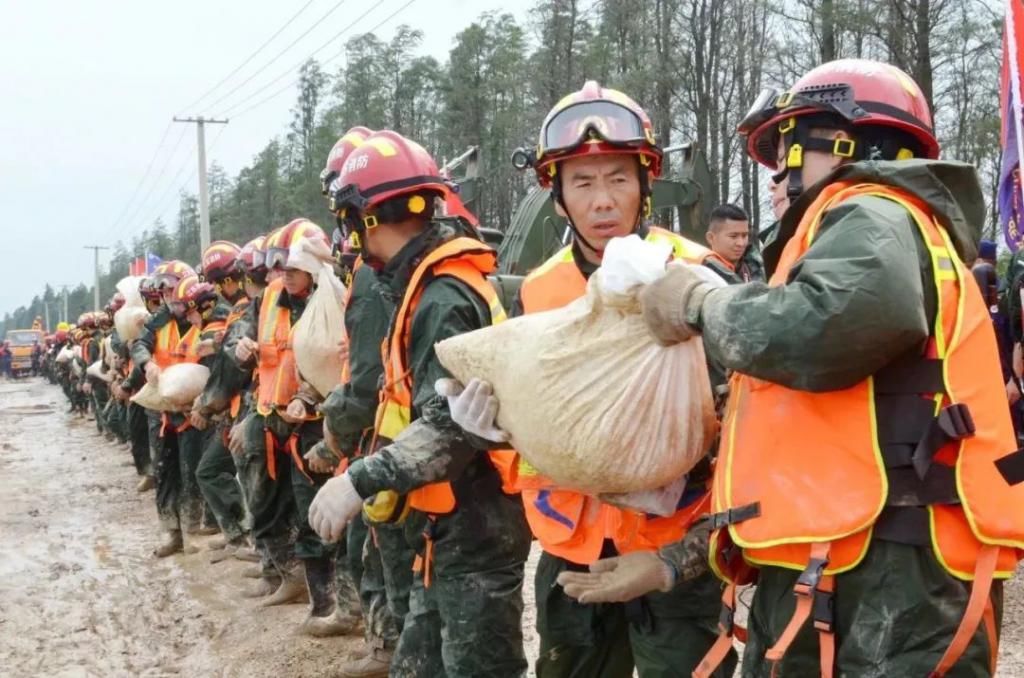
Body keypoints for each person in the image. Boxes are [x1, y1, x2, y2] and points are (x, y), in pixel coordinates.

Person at [569, 58, 1024, 677]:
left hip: (892, 570)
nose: (777, 176)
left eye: (787, 149)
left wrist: (703, 302)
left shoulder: (875, 213)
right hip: (862, 554)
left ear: (844, 142)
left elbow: (828, 325)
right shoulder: (872, 227)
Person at [445, 81, 734, 677]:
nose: (603, 200)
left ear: (645, 186)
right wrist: (497, 435)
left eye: (618, 179)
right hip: (573, 544)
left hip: (672, 550)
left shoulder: (699, 278)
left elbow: (747, 429)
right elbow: (531, 409)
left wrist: (682, 558)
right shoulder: (537, 290)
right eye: (582, 182)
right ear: (557, 198)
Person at [309, 129, 532, 677]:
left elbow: (450, 428)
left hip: (476, 526)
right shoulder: (420, 284)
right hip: (447, 525)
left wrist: (359, 479)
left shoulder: (441, 296)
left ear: (361, 219)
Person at [318, 126, 417, 674]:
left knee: (385, 549)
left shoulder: (376, 278)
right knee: (375, 545)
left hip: (392, 440)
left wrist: (335, 427)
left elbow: (370, 375)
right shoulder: (374, 273)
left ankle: (389, 646)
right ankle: (385, 642)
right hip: (386, 434)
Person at [229, 219, 340, 618]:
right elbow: (240, 330)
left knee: (314, 514)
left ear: (312, 269)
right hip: (268, 415)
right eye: (280, 269)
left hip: (311, 423)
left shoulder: (330, 300)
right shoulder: (269, 297)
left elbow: (338, 362)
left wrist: (309, 399)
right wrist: (237, 343)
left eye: (291, 270)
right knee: (262, 506)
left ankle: (325, 604)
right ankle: (285, 576)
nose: (282, 277)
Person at [129, 260, 210, 557]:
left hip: (193, 409)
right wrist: (147, 363)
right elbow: (139, 344)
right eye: (164, 293)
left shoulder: (203, 317)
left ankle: (193, 531)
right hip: (161, 408)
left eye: (173, 291)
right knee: (164, 472)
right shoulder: (160, 319)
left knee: (191, 471)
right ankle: (170, 532)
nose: (169, 299)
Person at [190, 241, 251, 562]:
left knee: (233, 475)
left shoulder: (244, 310)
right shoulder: (240, 313)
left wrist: (207, 405)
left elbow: (231, 367)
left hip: (246, 410)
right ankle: (243, 539)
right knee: (220, 471)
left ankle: (246, 538)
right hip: (237, 409)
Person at [702, 203, 759, 283]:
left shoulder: (758, 271)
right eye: (733, 236)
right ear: (711, 238)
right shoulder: (699, 275)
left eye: (744, 235)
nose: (741, 243)